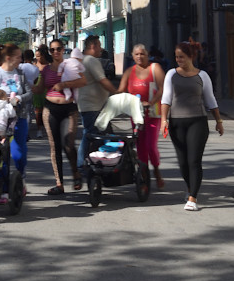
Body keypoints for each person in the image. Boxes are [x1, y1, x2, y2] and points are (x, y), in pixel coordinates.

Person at [160, 41, 224, 211]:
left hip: (198, 121)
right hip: (176, 123)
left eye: (182, 57)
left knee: (194, 160)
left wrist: (219, 121)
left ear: (191, 56)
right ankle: (190, 188)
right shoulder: (171, 74)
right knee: (183, 162)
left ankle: (192, 198)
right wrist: (163, 120)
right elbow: (166, 98)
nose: (178, 60)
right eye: (176, 57)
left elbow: (210, 100)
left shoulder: (202, 76)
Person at [118, 43, 166, 190]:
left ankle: (156, 171)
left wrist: (151, 102)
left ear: (147, 55)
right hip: (136, 115)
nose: (139, 57)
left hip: (152, 113)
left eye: (142, 54)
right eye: (136, 54)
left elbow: (163, 88)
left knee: (151, 146)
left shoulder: (154, 68)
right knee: (141, 149)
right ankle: (144, 179)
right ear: (132, 56)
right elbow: (121, 90)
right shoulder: (129, 72)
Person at [37, 38, 82, 195]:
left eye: (58, 49)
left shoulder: (70, 65)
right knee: (54, 146)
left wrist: (64, 85)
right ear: (49, 52)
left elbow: (83, 81)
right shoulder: (46, 70)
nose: (55, 52)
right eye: (52, 50)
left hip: (69, 108)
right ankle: (59, 183)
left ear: (64, 50)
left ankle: (76, 173)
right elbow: (39, 89)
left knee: (68, 144)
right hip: (50, 109)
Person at [0, 44, 32, 184]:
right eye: (18, 57)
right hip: (0, 119)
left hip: (19, 116)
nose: (20, 60)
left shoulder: (20, 74)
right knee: (2, 153)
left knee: (19, 153)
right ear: (8, 58)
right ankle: (3, 187)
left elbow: (29, 93)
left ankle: (19, 177)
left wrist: (19, 98)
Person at [76, 36, 117, 176]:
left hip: (91, 105)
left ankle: (97, 163)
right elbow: (102, 80)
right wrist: (117, 92)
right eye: (99, 45)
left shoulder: (82, 60)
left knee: (95, 135)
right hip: (92, 106)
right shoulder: (91, 60)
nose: (101, 49)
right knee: (91, 135)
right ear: (92, 46)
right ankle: (82, 165)